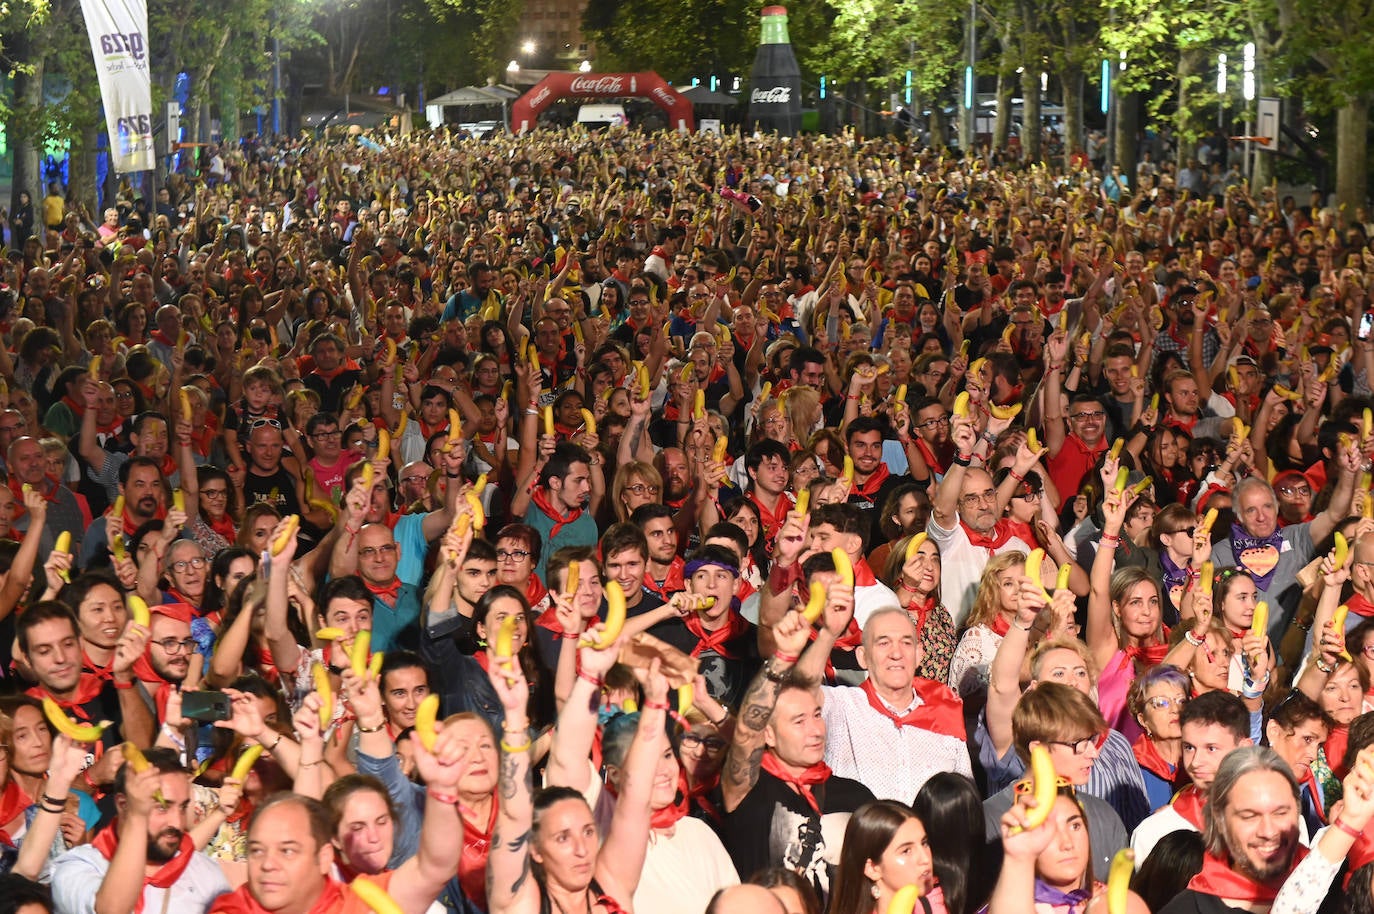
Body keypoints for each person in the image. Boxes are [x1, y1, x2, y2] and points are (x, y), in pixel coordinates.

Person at [50, 748, 230, 914]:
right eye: (162, 807)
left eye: (182, 807)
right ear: (123, 805)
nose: (176, 822)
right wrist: (136, 817)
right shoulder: (78, 868)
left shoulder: (206, 873)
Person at [1132, 690, 1256, 867]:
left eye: (1211, 748)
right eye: (1189, 748)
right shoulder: (1154, 831)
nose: (1196, 762)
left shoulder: (1280, 821)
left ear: (1244, 749)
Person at [829, 800, 946, 914]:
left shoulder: (940, 902)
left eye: (924, 843)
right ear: (872, 869)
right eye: (906, 851)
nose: (925, 859)